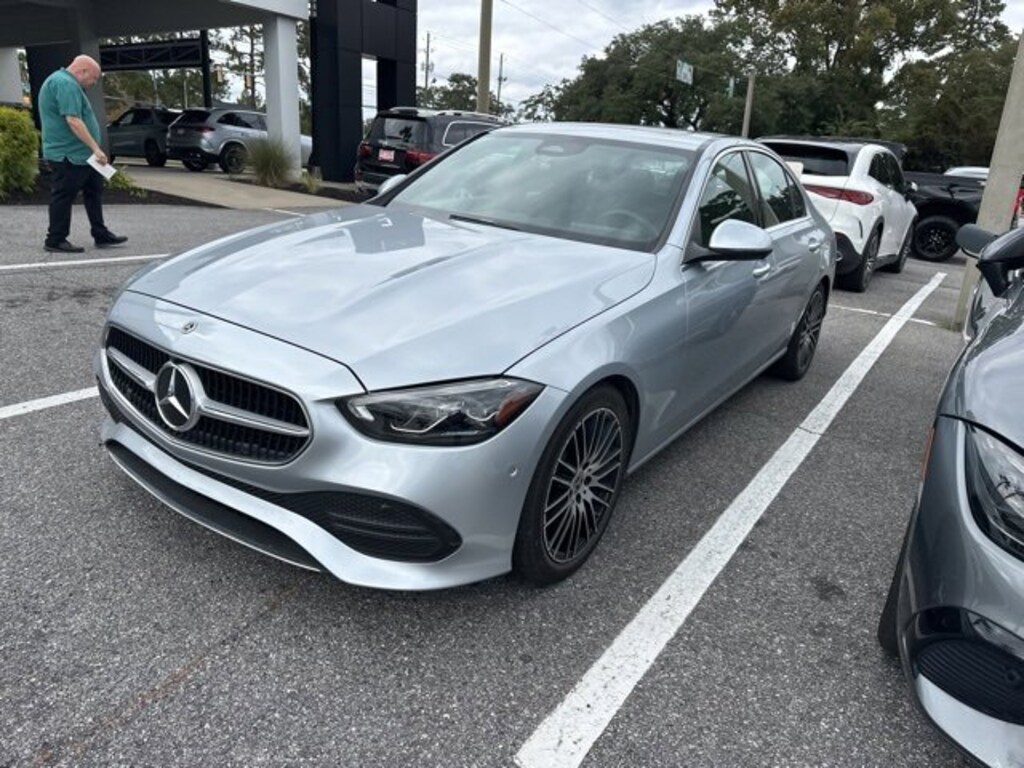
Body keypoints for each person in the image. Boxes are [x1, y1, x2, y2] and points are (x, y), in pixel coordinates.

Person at [38, 54, 127, 253]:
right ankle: (55, 239)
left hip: (84, 154)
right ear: (83, 70)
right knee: (64, 195)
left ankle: (101, 233)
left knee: (94, 191)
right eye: (93, 78)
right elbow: (73, 121)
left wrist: (93, 151)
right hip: (68, 154)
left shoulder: (65, 82)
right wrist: (96, 148)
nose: (94, 83)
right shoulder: (65, 84)